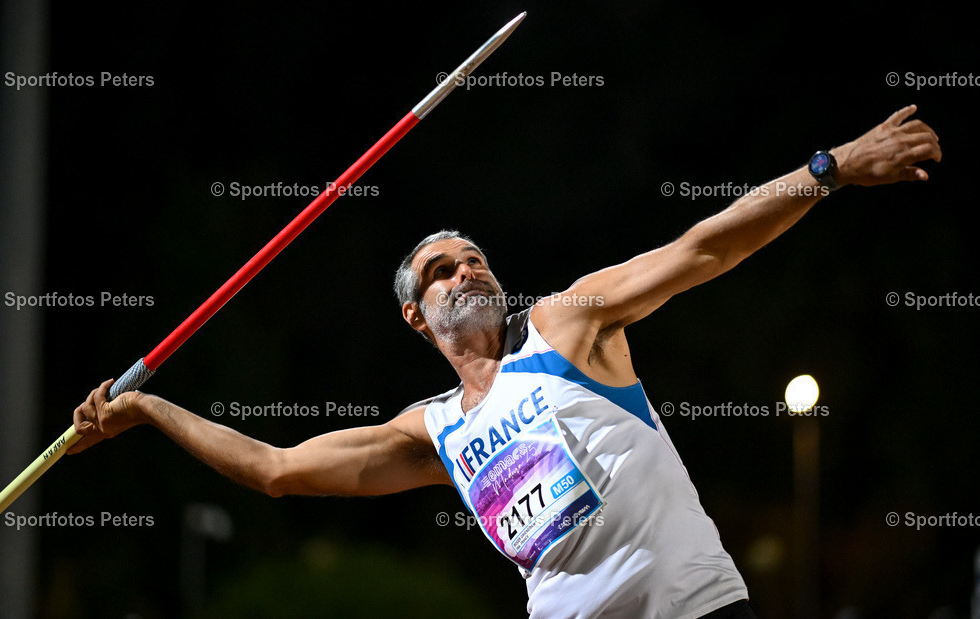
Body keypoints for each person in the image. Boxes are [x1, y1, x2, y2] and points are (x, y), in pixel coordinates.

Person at [71, 105, 941, 618]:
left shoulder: (566, 327)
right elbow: (276, 470)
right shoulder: (432, 431)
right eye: (444, 268)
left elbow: (705, 248)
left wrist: (830, 168)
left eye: (475, 256)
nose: (469, 269)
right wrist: (148, 409)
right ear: (416, 314)